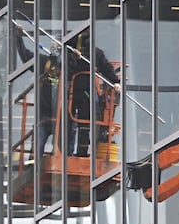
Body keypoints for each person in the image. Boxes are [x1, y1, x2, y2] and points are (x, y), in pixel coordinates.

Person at [65, 29, 120, 156]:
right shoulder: (69, 50)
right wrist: (73, 58)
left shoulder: (95, 53)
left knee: (84, 123)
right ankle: (68, 151)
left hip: (85, 92)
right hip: (73, 91)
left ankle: (81, 151)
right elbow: (65, 66)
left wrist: (115, 82)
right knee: (69, 122)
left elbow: (106, 67)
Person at [13, 22, 60, 157]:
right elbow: (25, 55)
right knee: (36, 156)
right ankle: (33, 168)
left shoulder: (70, 65)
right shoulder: (44, 62)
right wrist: (18, 37)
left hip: (63, 117)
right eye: (55, 44)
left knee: (62, 154)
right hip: (44, 116)